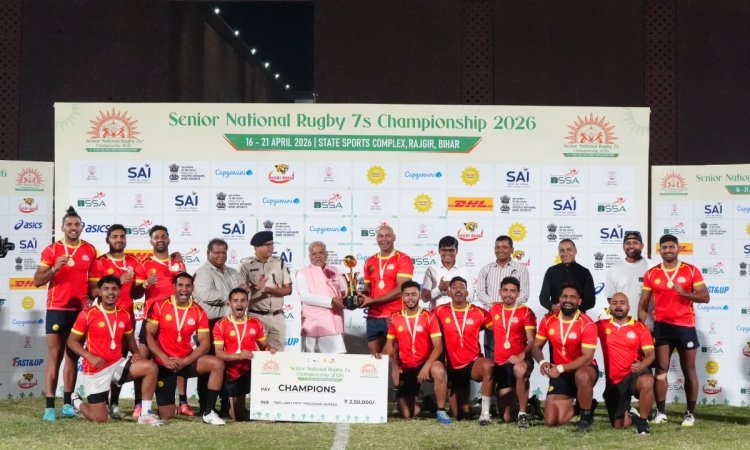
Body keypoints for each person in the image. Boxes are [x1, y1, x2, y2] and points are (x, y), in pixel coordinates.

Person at [66, 276, 162, 425]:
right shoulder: (87, 314)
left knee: (151, 367)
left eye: (114, 289)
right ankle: (76, 401)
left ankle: (145, 414)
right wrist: (90, 356)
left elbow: (130, 339)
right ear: (99, 292)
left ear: (119, 292)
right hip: (96, 370)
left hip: (117, 365)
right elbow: (71, 342)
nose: (110, 293)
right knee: (100, 419)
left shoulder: (124, 314)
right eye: (106, 289)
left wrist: (136, 353)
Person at [34, 206, 98, 422]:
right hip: (57, 309)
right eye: (69, 224)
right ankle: (49, 407)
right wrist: (54, 268)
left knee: (73, 356)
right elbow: (37, 280)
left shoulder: (90, 250)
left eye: (77, 224)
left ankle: (68, 404)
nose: (73, 227)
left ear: (81, 227)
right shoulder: (52, 250)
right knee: (55, 355)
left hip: (79, 312)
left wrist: (92, 298)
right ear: (62, 228)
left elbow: (93, 285)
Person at [638, 234, 709, 427]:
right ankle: (661, 412)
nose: (668, 250)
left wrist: (685, 293)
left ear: (678, 248)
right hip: (662, 327)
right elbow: (643, 303)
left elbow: (705, 297)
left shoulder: (691, 270)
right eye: (664, 247)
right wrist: (642, 326)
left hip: (685, 326)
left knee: (689, 369)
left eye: (671, 247)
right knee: (661, 369)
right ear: (659, 250)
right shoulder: (652, 273)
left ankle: (690, 414)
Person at [145, 272, 226, 425]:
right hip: (165, 363)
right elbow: (148, 334)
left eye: (188, 286)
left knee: (217, 364)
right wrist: (164, 358)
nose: (184, 289)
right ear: (174, 287)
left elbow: (205, 344)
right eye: (180, 285)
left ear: (192, 288)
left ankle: (208, 412)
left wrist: (185, 361)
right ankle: (153, 408)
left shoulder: (198, 311)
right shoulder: (160, 305)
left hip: (186, 362)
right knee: (167, 415)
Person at [88, 224, 146, 419]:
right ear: (108, 239)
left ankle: (114, 403)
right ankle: (101, 401)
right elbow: (93, 292)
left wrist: (144, 285)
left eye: (122, 236)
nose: (119, 240)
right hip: (103, 319)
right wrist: (120, 281)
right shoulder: (100, 262)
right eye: (115, 236)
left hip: (126, 319)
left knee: (120, 363)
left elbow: (136, 294)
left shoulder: (134, 262)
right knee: (104, 361)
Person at [137, 225, 190, 417]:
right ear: (151, 241)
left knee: (178, 357)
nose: (160, 239)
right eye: (156, 237)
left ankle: (182, 402)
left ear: (168, 239)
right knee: (143, 360)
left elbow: (185, 288)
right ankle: (139, 404)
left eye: (163, 236)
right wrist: (145, 284)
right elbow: (135, 293)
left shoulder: (177, 263)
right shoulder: (144, 264)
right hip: (151, 318)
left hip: (175, 320)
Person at [382, 280, 451, 424]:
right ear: (402, 297)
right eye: (407, 295)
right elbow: (389, 345)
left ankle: (441, 410)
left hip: (426, 363)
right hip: (407, 366)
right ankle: (427, 403)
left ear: (419, 295)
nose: (410, 298)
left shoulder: (430, 316)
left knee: (438, 370)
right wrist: (379, 356)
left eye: (414, 294)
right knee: (407, 414)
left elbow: (438, 347)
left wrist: (426, 367)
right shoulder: (395, 317)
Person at [531, 284, 598, 432]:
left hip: (583, 369)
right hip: (561, 374)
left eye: (572, 297)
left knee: (582, 376)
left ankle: (585, 419)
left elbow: (587, 358)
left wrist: (560, 368)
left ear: (579, 301)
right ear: (559, 299)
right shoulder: (548, 320)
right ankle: (584, 406)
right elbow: (535, 346)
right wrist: (542, 362)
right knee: (551, 421)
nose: (568, 300)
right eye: (564, 296)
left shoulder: (587, 323)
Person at [193, 238, 247, 414]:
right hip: (209, 325)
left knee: (228, 365)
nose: (221, 255)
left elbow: (244, 294)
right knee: (209, 365)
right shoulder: (203, 272)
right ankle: (205, 405)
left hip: (230, 324)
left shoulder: (232, 272)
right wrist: (232, 297)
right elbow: (206, 294)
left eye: (224, 252)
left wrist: (237, 296)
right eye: (217, 252)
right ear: (208, 253)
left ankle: (226, 404)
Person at [434, 277, 493, 425]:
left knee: (488, 366)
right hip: (451, 366)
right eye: (454, 287)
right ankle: (475, 409)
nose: (458, 290)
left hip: (472, 363)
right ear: (449, 292)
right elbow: (422, 321)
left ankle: (485, 414)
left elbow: (500, 328)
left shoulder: (479, 312)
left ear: (467, 293)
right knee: (461, 414)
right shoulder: (439, 311)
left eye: (462, 287)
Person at [213, 288, 277, 421]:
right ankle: (233, 406)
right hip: (233, 372)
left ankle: (267, 410)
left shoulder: (255, 322)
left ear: (247, 303)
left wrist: (269, 348)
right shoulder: (221, 325)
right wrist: (239, 356)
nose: (239, 304)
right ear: (229, 303)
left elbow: (264, 346)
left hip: (252, 370)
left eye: (243, 300)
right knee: (238, 416)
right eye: (235, 301)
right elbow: (218, 354)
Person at [597, 292, 654, 434]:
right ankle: (632, 413)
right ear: (610, 307)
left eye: (622, 303)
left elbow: (650, 354)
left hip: (634, 373)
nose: (618, 306)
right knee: (619, 426)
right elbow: (582, 329)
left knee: (647, 381)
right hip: (614, 382)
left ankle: (643, 422)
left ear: (628, 307)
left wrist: (642, 365)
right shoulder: (601, 325)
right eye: (614, 303)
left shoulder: (640, 327)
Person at [486, 276, 536, 427]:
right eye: (505, 290)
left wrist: (520, 356)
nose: (508, 294)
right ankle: (531, 405)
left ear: (518, 293)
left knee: (519, 369)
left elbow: (532, 341)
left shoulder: (526, 312)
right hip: (501, 364)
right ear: (500, 292)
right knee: (507, 418)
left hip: (521, 361)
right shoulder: (493, 309)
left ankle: (523, 414)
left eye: (513, 291)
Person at [358, 225, 414, 357]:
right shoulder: (369, 261)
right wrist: (360, 297)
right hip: (374, 316)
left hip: (394, 315)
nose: (384, 239)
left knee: (394, 357)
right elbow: (368, 288)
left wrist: (372, 301)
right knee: (375, 358)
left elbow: (401, 290)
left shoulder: (403, 259)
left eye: (387, 235)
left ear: (394, 237)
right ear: (376, 239)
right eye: (380, 236)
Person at [475, 235, 530, 366]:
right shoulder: (486, 269)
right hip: (492, 320)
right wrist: (497, 306)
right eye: (498, 247)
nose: (501, 250)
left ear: (512, 250)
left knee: (514, 360)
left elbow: (524, 294)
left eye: (505, 247)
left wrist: (506, 306)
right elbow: (480, 292)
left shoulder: (521, 269)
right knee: (492, 359)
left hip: (514, 321)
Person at [239, 230, 292, 350]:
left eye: (272, 244)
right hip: (256, 317)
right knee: (256, 355)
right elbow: (240, 295)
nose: (271, 247)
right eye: (268, 244)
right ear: (256, 247)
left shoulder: (280, 263)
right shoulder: (245, 266)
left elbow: (289, 290)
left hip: (277, 317)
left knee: (277, 356)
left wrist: (272, 291)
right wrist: (256, 288)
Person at [295, 241, 347, 353]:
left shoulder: (335, 270)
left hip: (335, 323)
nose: (318, 256)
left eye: (321, 253)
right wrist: (331, 301)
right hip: (313, 324)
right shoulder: (302, 273)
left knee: (338, 358)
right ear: (309, 256)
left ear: (326, 254)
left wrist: (353, 298)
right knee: (312, 361)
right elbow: (305, 297)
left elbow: (344, 291)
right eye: (314, 254)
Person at [604, 230, 653, 326]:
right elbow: (611, 298)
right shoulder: (614, 268)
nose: (631, 246)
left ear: (642, 246)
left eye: (635, 243)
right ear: (623, 246)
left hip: (648, 325)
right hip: (623, 325)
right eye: (628, 243)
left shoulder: (652, 266)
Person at [539, 239, 596, 313]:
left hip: (578, 316)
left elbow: (591, 301)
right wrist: (553, 307)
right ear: (559, 253)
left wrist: (572, 309)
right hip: (555, 315)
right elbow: (543, 297)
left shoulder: (585, 272)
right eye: (562, 250)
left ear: (575, 251)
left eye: (569, 250)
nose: (565, 253)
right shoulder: (551, 271)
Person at [421, 236, 469, 310]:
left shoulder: (464, 270)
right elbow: (424, 298)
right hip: (436, 314)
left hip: (459, 314)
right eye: (444, 250)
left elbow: (470, 298)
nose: (448, 253)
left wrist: (453, 291)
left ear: (457, 251)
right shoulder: (431, 270)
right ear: (439, 251)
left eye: (451, 250)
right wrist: (439, 289)